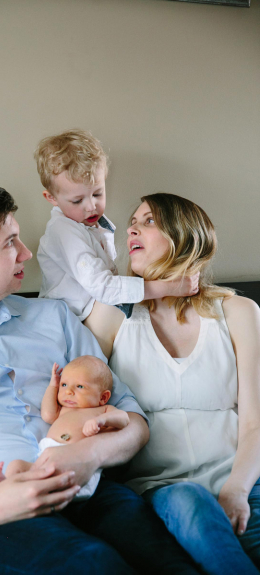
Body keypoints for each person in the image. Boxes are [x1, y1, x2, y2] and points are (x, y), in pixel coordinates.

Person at [0, 187, 198, 574]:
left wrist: (88, 456)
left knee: (171, 565)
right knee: (93, 565)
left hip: (89, 488)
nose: (27, 253)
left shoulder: (54, 319)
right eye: (10, 243)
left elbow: (133, 417)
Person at [84, 193, 260, 575]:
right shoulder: (112, 315)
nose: (131, 227)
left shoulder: (238, 312)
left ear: (183, 236)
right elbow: (81, 396)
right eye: (132, 221)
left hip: (246, 480)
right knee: (188, 501)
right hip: (164, 490)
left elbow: (254, 423)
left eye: (148, 221)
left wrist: (236, 491)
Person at [34, 129, 198, 322]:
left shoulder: (93, 227)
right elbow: (103, 287)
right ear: (51, 198)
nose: (91, 206)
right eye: (77, 200)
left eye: (97, 194)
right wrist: (170, 287)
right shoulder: (63, 231)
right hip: (61, 324)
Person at [0, 356, 129, 501]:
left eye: (80, 386)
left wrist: (101, 420)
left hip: (77, 462)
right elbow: (48, 415)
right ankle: (4, 489)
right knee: (16, 465)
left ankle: (8, 497)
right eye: (64, 385)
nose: (69, 391)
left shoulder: (103, 411)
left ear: (103, 398)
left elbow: (124, 419)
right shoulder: (63, 410)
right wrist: (53, 385)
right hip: (45, 456)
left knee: (44, 487)